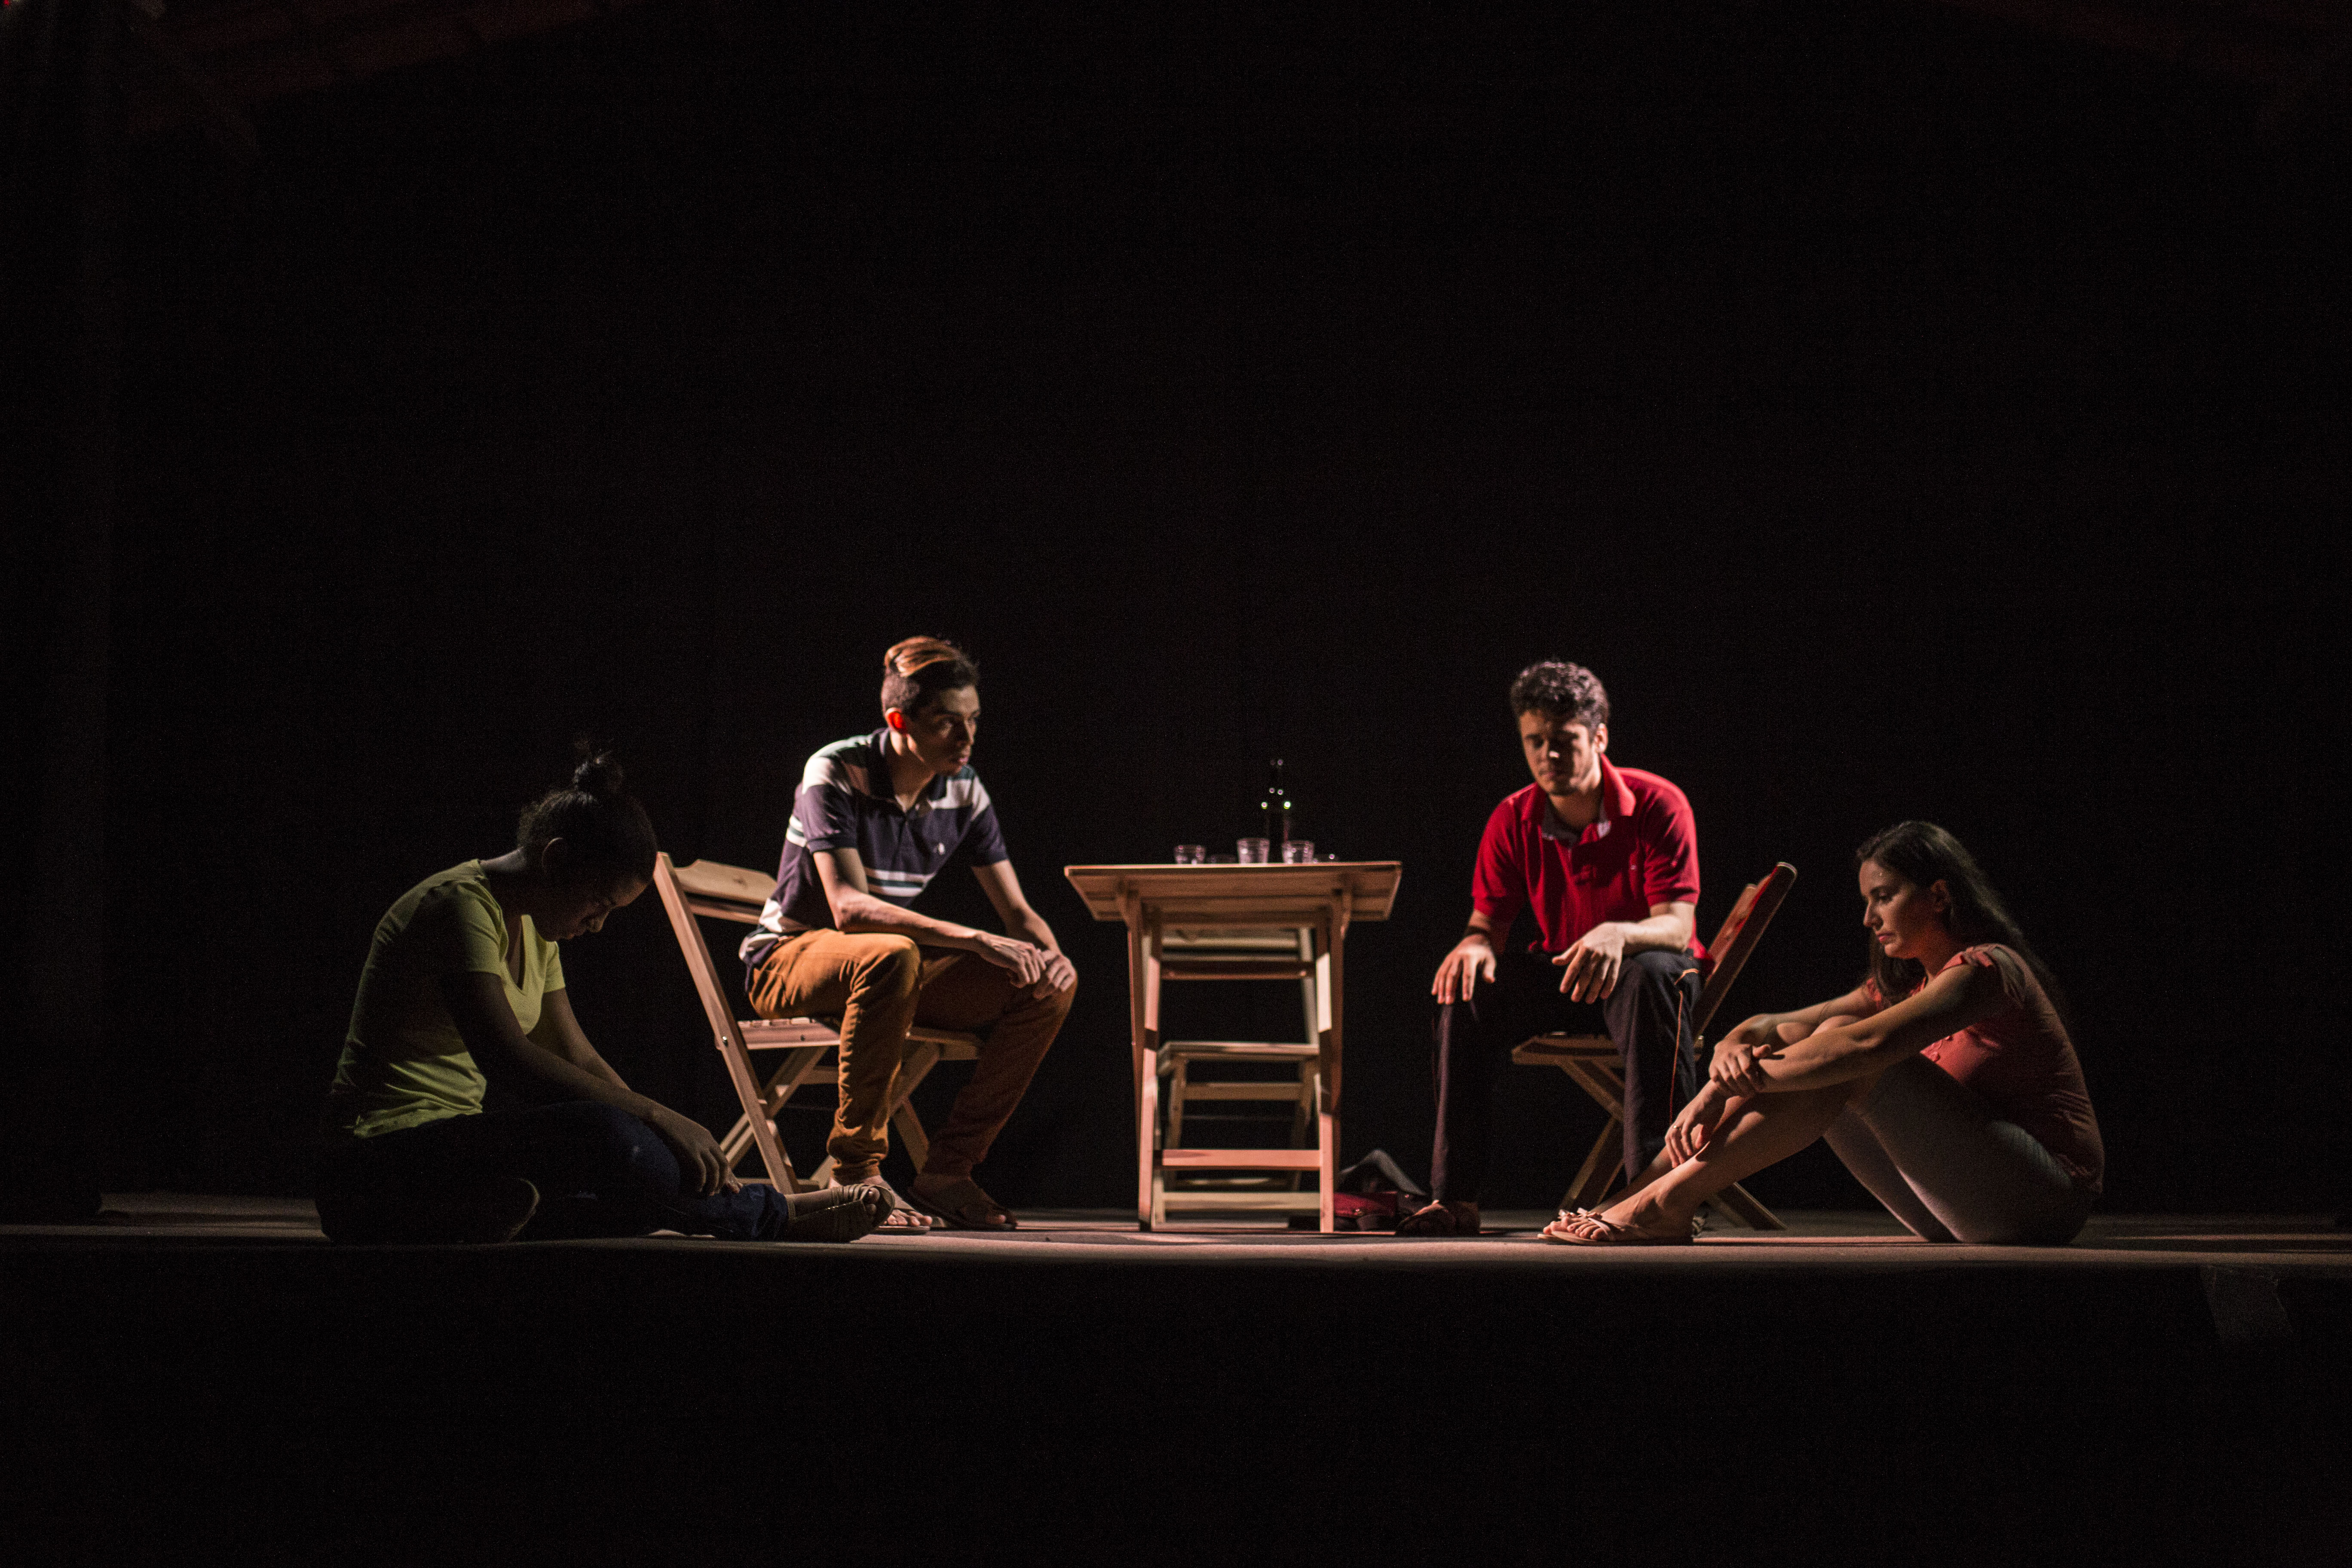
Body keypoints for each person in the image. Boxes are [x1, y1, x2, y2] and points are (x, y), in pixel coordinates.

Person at [316, 755, 888, 1245]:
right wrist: (654, 1119)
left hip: (456, 1158)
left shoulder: (536, 931)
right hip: (377, 1158)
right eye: (598, 903)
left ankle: (448, 1217)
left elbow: (579, 1057)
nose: (597, 924)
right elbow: (508, 1059)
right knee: (606, 1137)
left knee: (635, 1178)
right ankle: (776, 1214)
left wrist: (661, 1132)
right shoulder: (459, 907)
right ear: (556, 859)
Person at [1545, 821, 2103, 1246]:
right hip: (1956, 1207)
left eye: (1883, 896)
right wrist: (1730, 1050)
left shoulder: (1989, 969)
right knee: (1821, 1037)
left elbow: (1864, 1046)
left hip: (2042, 1200)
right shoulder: (1905, 985)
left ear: (1938, 896)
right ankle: (1645, 1197)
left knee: (1846, 1048)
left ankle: (1661, 1204)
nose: (1868, 918)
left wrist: (1720, 1089)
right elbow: (1771, 1026)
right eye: (1867, 901)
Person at [740, 637, 1077, 1232]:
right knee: (893, 954)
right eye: (947, 723)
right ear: (899, 721)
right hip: (788, 961)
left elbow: (1018, 913)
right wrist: (974, 939)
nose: (966, 738)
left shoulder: (963, 789)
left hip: (888, 975)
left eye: (973, 720)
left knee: (1045, 987)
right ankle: (855, 1173)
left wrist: (1052, 956)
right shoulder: (835, 769)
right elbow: (848, 908)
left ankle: (947, 1172)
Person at [1398, 659, 1704, 1237]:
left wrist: (1619, 933)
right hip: (1567, 972)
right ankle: (1454, 1198)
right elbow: (1486, 924)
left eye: (1564, 740)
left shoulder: (1657, 803)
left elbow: (1677, 927)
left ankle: (1658, 1199)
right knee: (1465, 990)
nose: (1549, 755)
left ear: (1599, 737)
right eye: (1535, 741)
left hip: (1644, 978)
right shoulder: (1514, 816)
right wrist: (1474, 946)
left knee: (1655, 973)